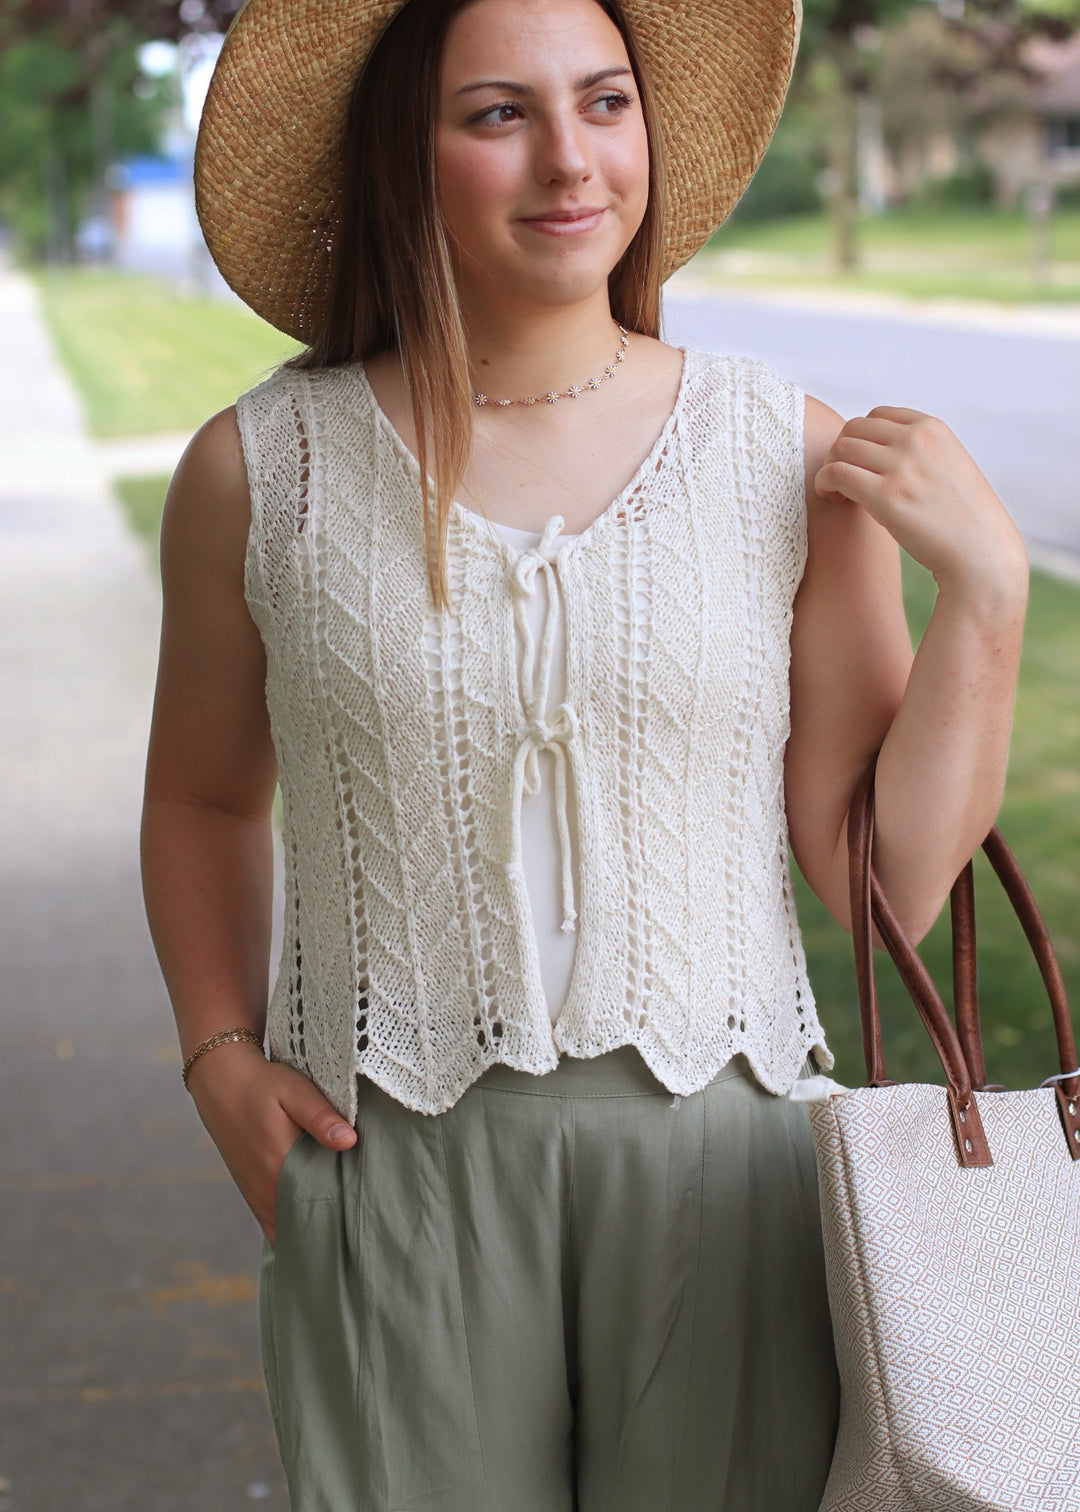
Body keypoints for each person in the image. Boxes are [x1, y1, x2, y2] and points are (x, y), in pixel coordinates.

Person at [139, 0, 1029, 1505]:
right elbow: (204, 795)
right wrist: (221, 1060)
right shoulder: (261, 472)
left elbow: (890, 883)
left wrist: (988, 598)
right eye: (498, 115)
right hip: (389, 1160)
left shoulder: (781, 457)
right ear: (401, 156)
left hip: (729, 1178)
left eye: (605, 103)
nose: (571, 160)